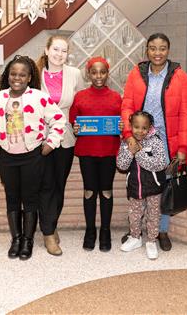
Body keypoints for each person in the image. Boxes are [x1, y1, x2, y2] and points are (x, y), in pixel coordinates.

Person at [0, 55, 66, 260]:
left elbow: (58, 120)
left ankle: (28, 241)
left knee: (30, 198)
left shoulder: (39, 97)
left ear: (29, 77)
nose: (17, 78)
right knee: (12, 197)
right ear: (8, 76)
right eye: (13, 74)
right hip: (7, 156)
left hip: (33, 156)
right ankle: (16, 239)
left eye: (22, 74)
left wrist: (50, 144)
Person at [121, 32, 187, 251]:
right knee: (139, 187)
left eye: (162, 48)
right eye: (153, 48)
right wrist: (129, 136)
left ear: (168, 50)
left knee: (163, 188)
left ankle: (160, 231)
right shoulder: (137, 73)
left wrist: (182, 147)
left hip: (167, 142)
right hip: (140, 138)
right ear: (147, 50)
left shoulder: (180, 76)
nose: (157, 52)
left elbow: (186, 114)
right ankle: (136, 230)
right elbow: (127, 106)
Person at [37, 35, 85, 251]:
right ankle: (48, 233)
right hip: (40, 138)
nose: (59, 54)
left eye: (64, 51)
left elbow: (80, 104)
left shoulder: (74, 74)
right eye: (55, 49)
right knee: (45, 185)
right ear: (47, 50)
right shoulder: (35, 73)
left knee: (58, 185)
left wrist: (80, 125)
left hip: (65, 137)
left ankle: (51, 224)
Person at [70, 57, 122, 252]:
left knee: (106, 191)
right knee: (89, 191)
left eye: (102, 72)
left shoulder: (116, 97)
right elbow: (74, 123)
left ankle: (105, 231)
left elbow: (123, 121)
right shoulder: (80, 96)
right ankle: (90, 230)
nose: (98, 76)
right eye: (94, 72)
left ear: (107, 73)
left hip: (109, 150)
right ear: (89, 74)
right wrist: (76, 127)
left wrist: (121, 126)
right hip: (87, 151)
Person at [117, 111, 168, 260]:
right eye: (136, 127)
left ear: (150, 127)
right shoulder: (126, 142)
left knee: (153, 215)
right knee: (134, 215)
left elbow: (160, 164)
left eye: (144, 128)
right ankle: (135, 238)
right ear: (131, 127)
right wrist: (129, 151)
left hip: (153, 187)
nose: (140, 131)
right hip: (135, 186)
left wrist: (138, 153)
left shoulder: (156, 141)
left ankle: (152, 241)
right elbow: (121, 165)